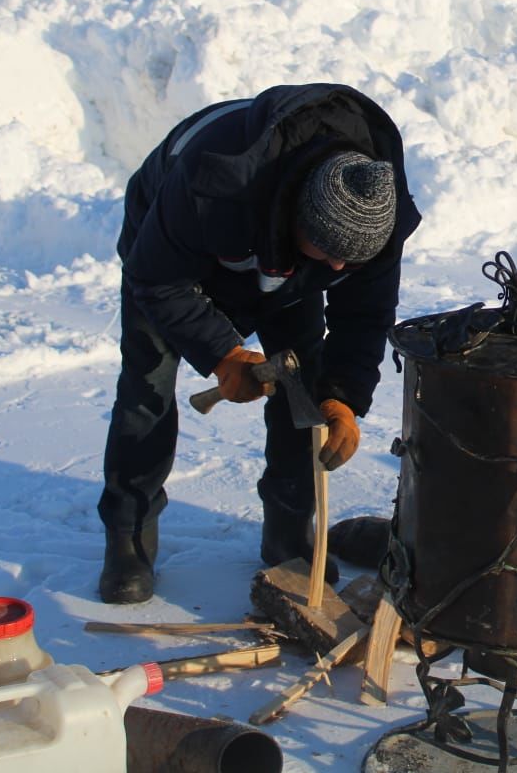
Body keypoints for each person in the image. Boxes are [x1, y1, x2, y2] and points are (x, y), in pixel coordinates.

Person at [97, 82, 422, 605]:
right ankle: (128, 534)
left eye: (350, 261)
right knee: (147, 386)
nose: (339, 268)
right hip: (172, 251)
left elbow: (364, 317)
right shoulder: (215, 181)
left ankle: (287, 530)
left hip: (278, 261)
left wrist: (342, 396)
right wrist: (223, 353)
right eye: (329, 252)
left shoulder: (374, 220)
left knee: (302, 385)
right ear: (300, 215)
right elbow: (156, 280)